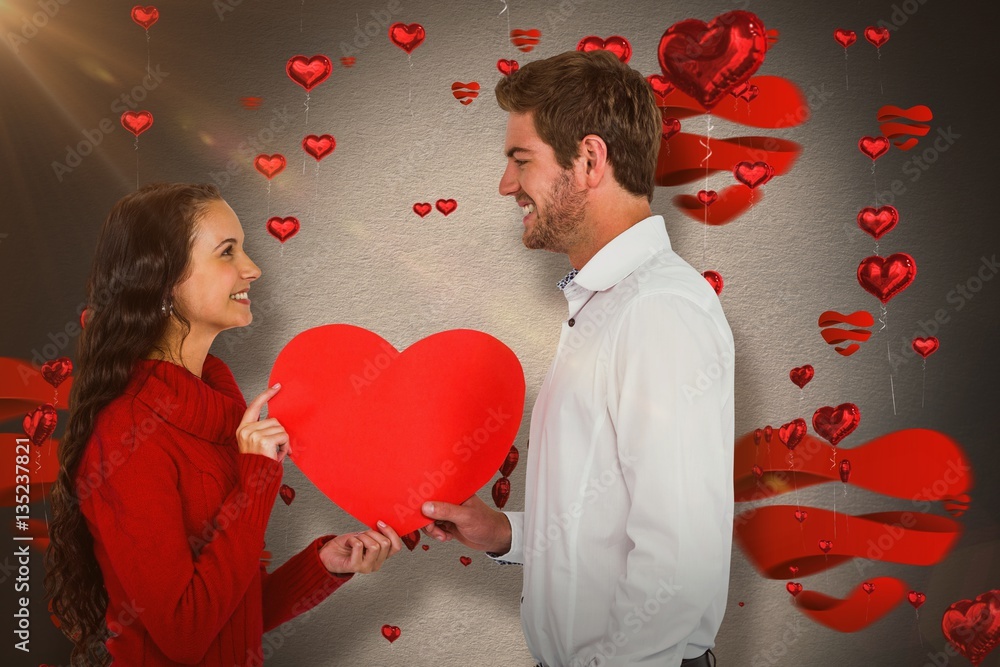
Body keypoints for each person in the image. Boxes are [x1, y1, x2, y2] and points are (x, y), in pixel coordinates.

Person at [421, 50, 735, 666]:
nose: (506, 185)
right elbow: (610, 519)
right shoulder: (602, 304)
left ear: (590, 160)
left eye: (520, 160)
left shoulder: (657, 313)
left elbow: (677, 568)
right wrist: (507, 533)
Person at [45, 183, 402, 666]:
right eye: (226, 252)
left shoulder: (221, 411)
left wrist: (323, 565)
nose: (252, 268)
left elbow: (229, 617)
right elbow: (186, 633)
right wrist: (256, 484)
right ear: (165, 280)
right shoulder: (128, 434)